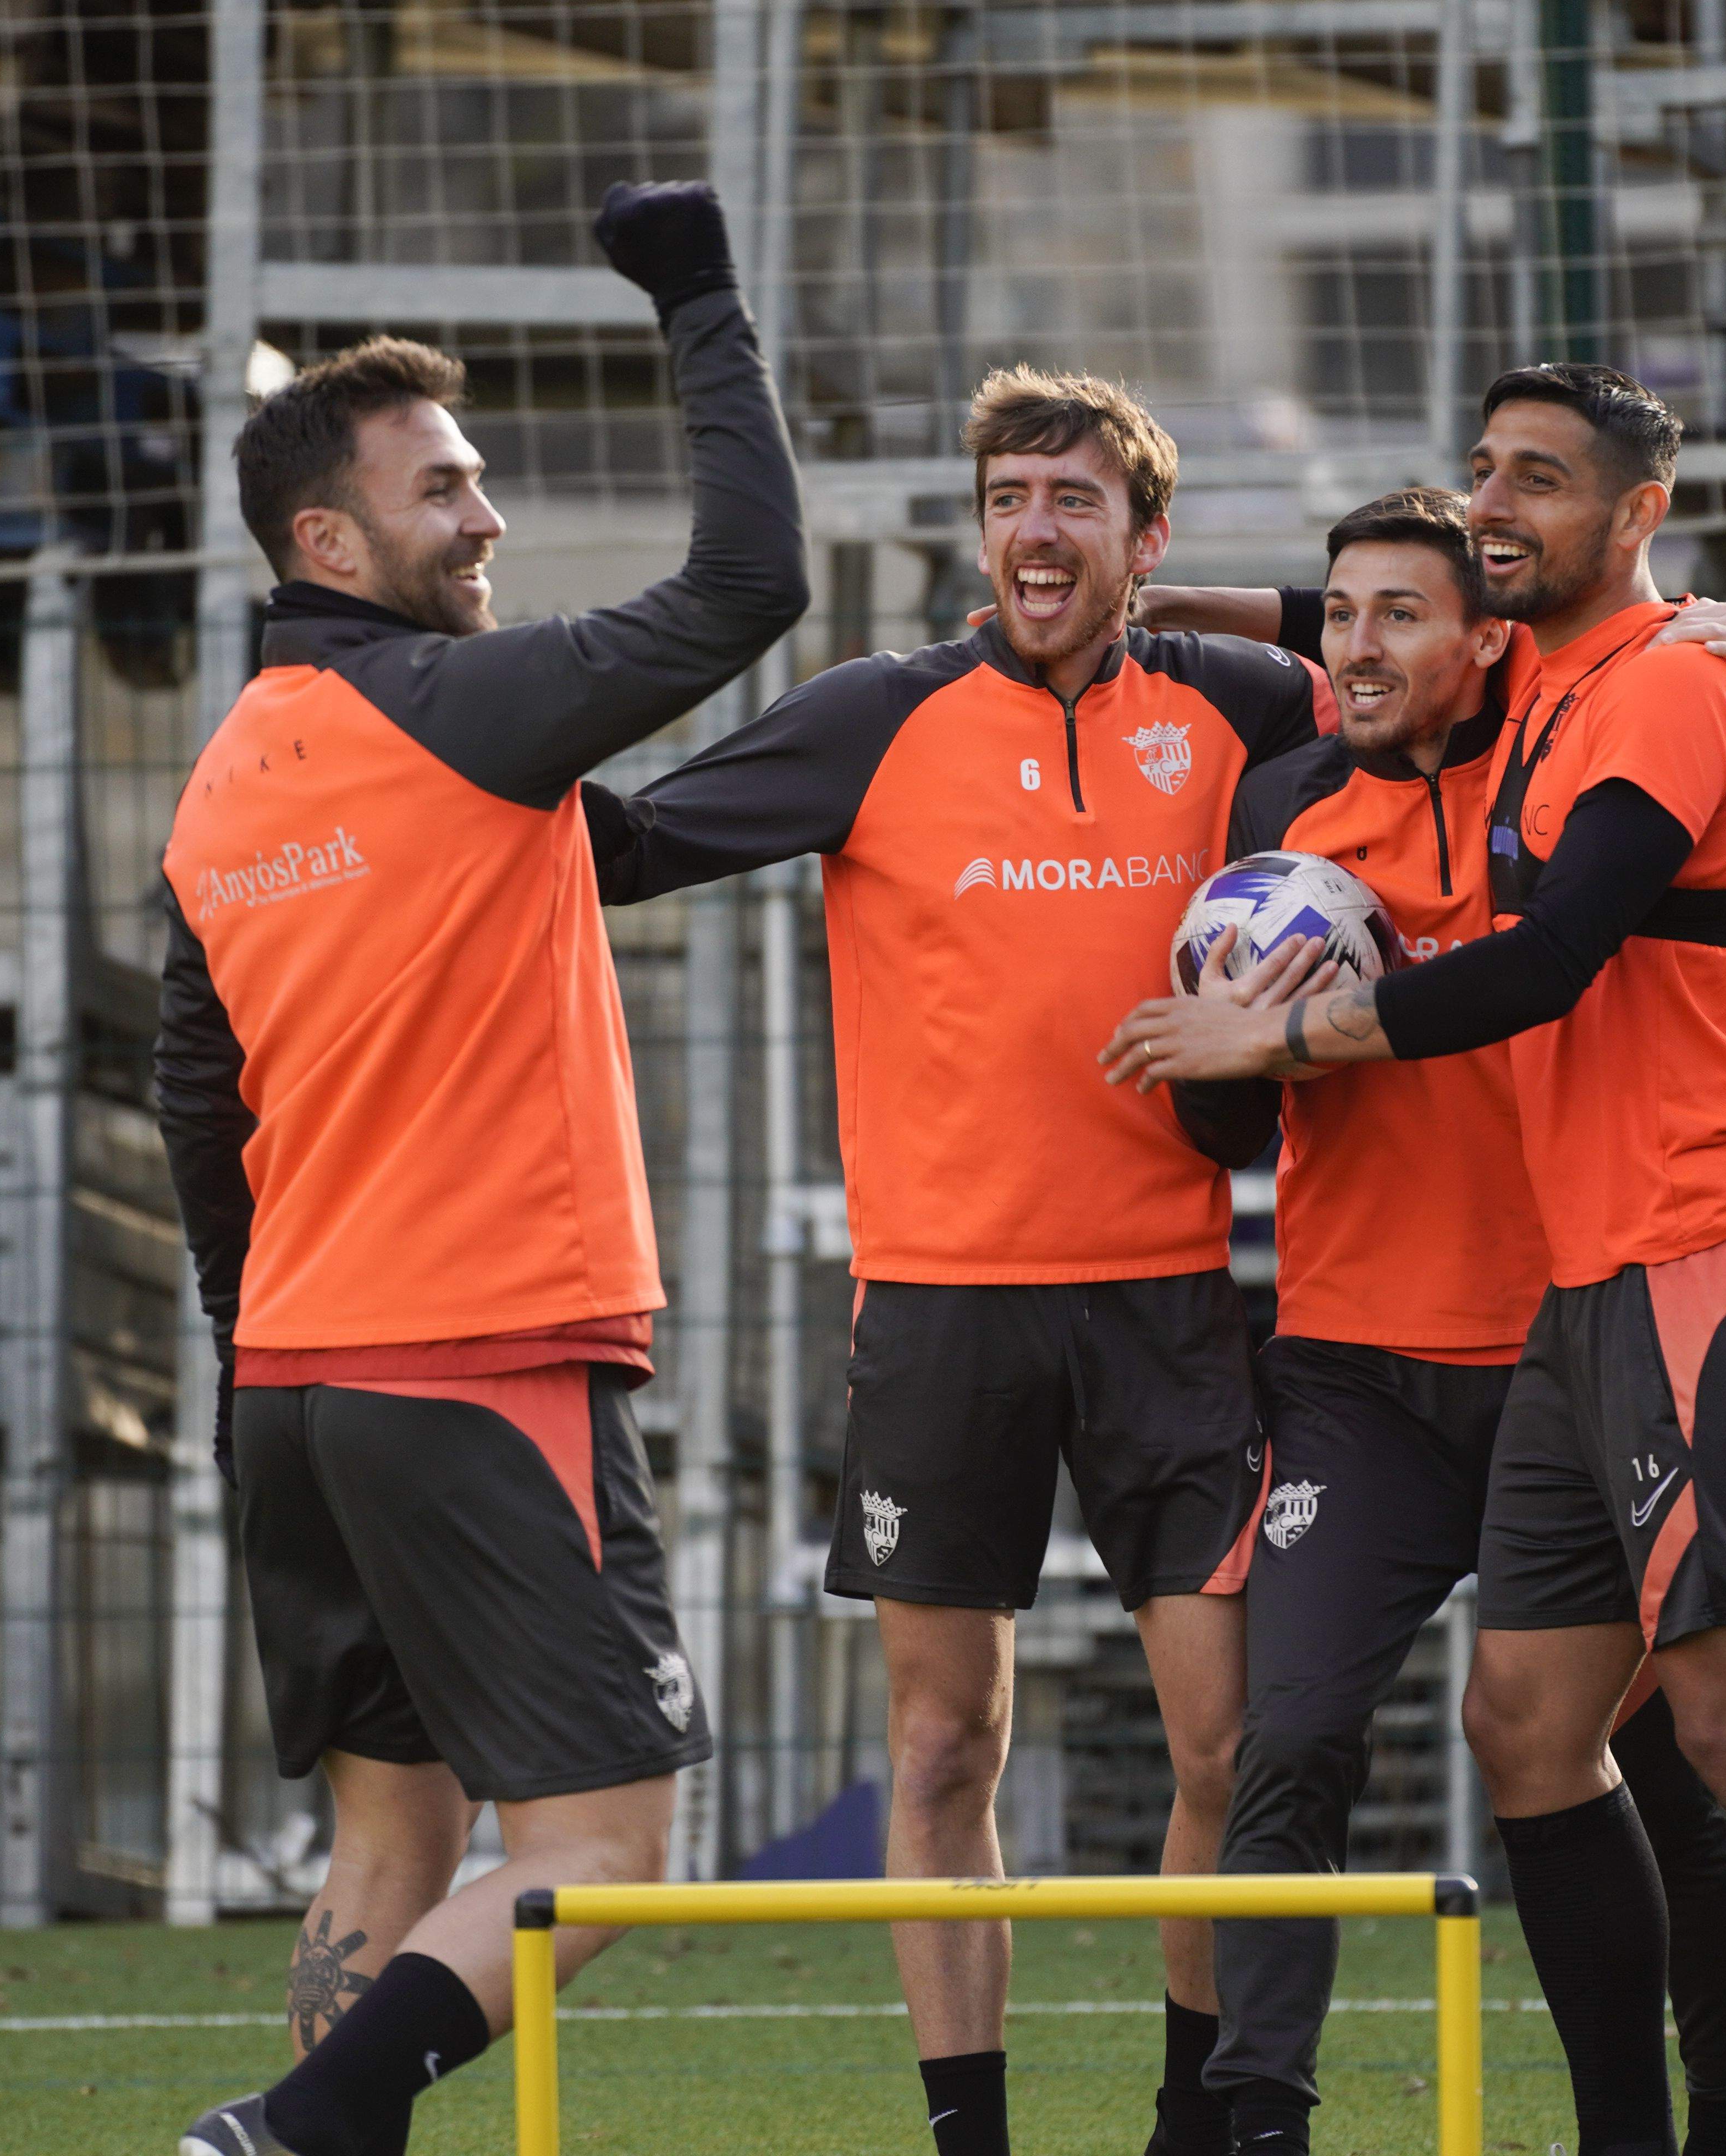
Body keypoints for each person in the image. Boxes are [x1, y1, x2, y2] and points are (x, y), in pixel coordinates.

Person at [1106, 365, 1726, 2156]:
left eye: (1543, 479)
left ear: (1641, 512)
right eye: (1487, 473)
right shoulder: (1535, 676)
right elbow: (1396, 616)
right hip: (1579, 1297)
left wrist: (1270, 1048)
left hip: (1705, 1256)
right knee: (1527, 1726)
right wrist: (1196, 601)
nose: (1504, 503)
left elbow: (1550, 963)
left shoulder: (1667, 688)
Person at [579, 368, 1317, 2156]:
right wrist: (453, 764)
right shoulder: (873, 716)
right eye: (1007, 500)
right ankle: (967, 2134)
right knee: (939, 1750)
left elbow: (1423, 652)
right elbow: (626, 841)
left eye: (1074, 501)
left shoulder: (1246, 709)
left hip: (1172, 1304)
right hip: (937, 1307)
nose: (1034, 532)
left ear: (1147, 536)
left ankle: (1194, 2125)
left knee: (1233, 1744)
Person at [158, 181, 807, 2156]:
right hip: (482, 1358)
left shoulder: (223, 784)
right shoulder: (452, 710)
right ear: (328, 541)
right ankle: (301, 2131)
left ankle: (303, 2141)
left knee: (392, 1830)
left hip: (298, 1382)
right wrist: (697, 296)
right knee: (602, 1847)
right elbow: (747, 585)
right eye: (446, 487)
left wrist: (244, 1356)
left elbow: (205, 1115)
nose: (488, 517)